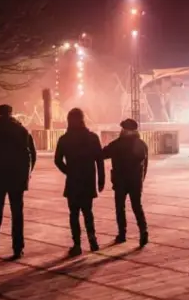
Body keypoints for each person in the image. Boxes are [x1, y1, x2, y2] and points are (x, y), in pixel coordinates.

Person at [0, 104, 36, 260]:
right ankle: (18, 247)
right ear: (11, 113)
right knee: (17, 213)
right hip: (17, 177)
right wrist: (27, 175)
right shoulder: (21, 129)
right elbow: (32, 154)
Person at [54, 108, 105, 256]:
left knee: (74, 214)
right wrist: (101, 180)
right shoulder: (92, 137)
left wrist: (68, 171)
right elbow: (99, 160)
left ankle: (77, 244)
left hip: (73, 181)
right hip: (88, 180)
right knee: (88, 212)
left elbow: (57, 160)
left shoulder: (64, 139)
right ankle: (92, 239)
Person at [102, 118, 149, 248]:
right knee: (137, 207)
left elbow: (102, 154)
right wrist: (141, 180)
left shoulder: (117, 144)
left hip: (120, 181)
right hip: (135, 181)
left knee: (120, 208)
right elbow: (146, 165)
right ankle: (143, 231)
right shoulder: (141, 144)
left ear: (124, 130)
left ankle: (122, 234)